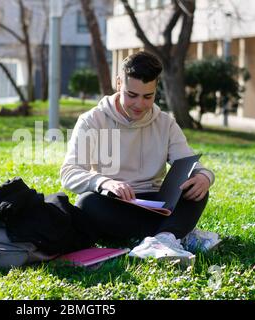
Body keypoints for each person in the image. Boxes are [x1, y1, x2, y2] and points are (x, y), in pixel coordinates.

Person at [60, 51, 216, 266]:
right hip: (116, 203)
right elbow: (69, 173)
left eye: (148, 96)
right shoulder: (91, 121)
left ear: (155, 90)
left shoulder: (165, 123)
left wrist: (206, 176)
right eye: (132, 95)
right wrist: (104, 182)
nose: (140, 104)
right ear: (118, 84)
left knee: (196, 190)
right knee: (87, 203)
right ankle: (177, 234)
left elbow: (190, 163)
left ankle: (163, 240)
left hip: (156, 203)